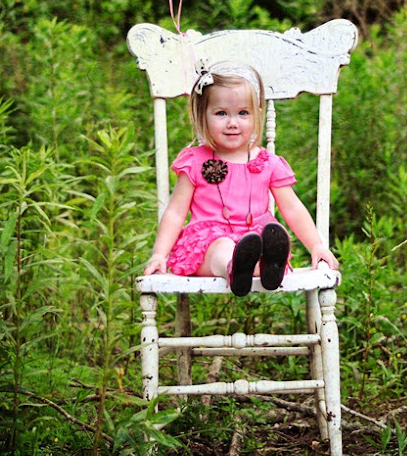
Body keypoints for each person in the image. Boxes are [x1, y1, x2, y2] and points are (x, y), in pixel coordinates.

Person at [143, 62, 339, 297]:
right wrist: (159, 254)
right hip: (208, 245)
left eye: (243, 113)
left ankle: (267, 266)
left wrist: (316, 245)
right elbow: (175, 212)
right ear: (202, 116)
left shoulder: (268, 163)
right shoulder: (194, 161)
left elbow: (293, 208)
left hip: (256, 239)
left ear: (257, 115)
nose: (232, 123)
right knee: (223, 248)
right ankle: (235, 268)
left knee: (265, 240)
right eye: (221, 113)